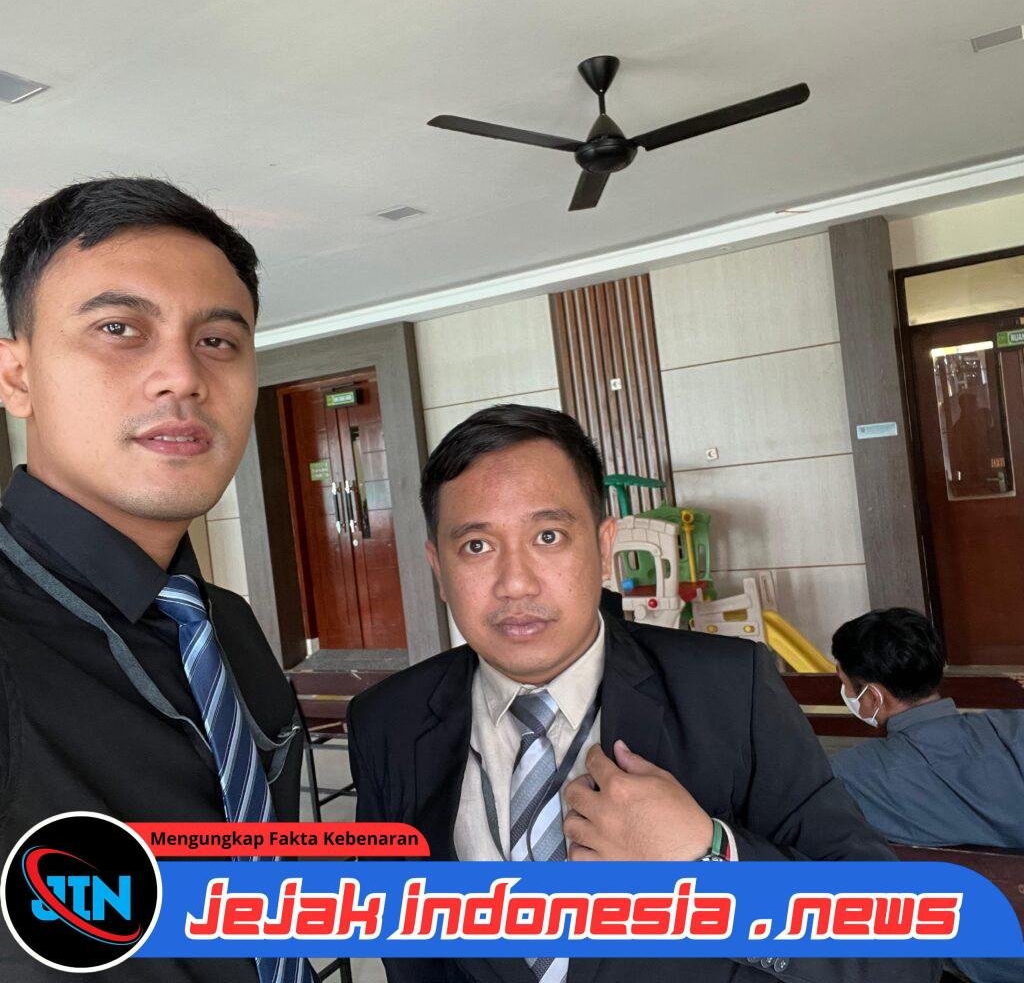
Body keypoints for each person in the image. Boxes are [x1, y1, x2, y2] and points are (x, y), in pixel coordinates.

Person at [348, 403, 939, 983]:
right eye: (477, 546)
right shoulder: (387, 722)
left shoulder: (732, 691)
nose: (515, 583)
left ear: (604, 545)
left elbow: (901, 958)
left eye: (548, 536)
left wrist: (708, 859)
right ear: (438, 568)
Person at [0, 179, 312, 983]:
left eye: (218, 340)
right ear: (18, 376)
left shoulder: (226, 628)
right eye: (119, 329)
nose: (182, 375)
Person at [831, 608, 1024, 983]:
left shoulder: (848, 777)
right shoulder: (1014, 731)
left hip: (980, 962)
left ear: (873, 696)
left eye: (846, 686)